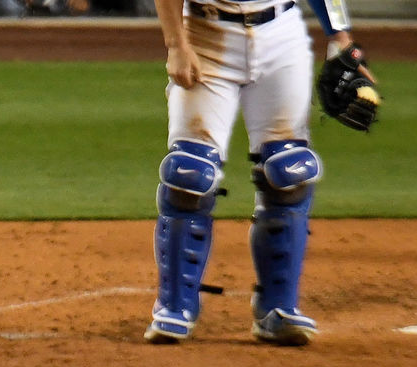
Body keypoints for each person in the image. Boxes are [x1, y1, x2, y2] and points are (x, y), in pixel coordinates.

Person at [143, 0, 375, 345]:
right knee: (190, 175)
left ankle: (277, 308)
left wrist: (342, 37)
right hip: (206, 34)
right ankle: (175, 306)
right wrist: (176, 45)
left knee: (289, 172)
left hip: (281, 36)